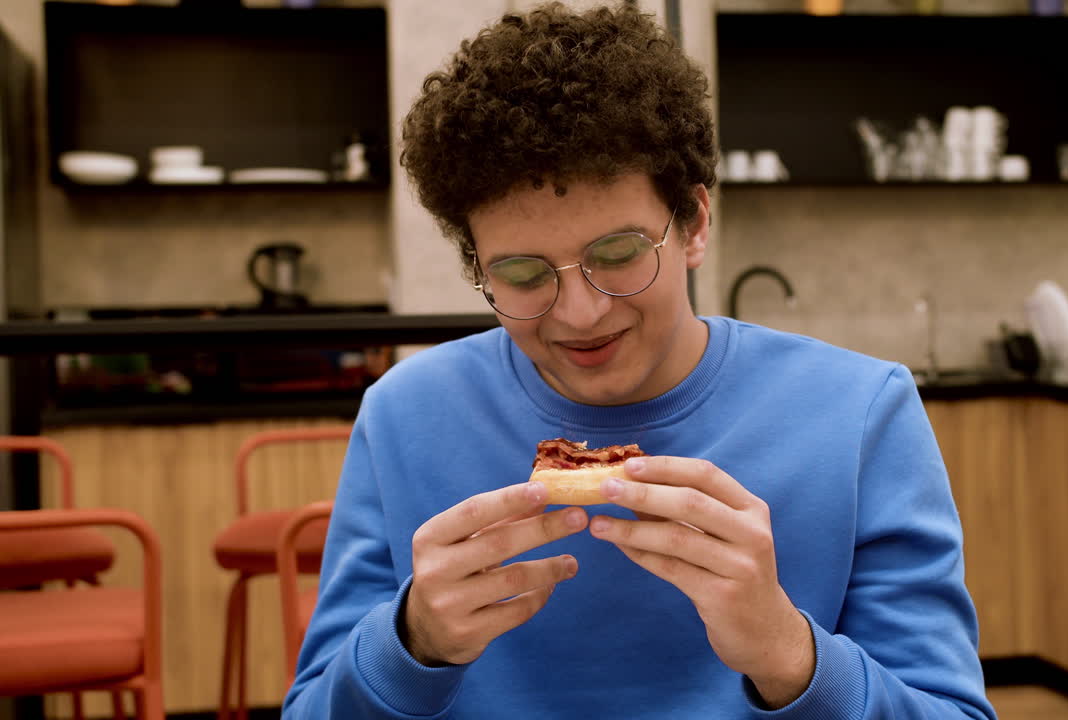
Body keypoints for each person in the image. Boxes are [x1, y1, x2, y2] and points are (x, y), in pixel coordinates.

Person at [283, 3, 997, 718]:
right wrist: (410, 644)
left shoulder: (861, 414)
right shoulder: (405, 415)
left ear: (694, 224)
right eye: (523, 274)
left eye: (619, 253)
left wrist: (789, 654)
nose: (579, 313)